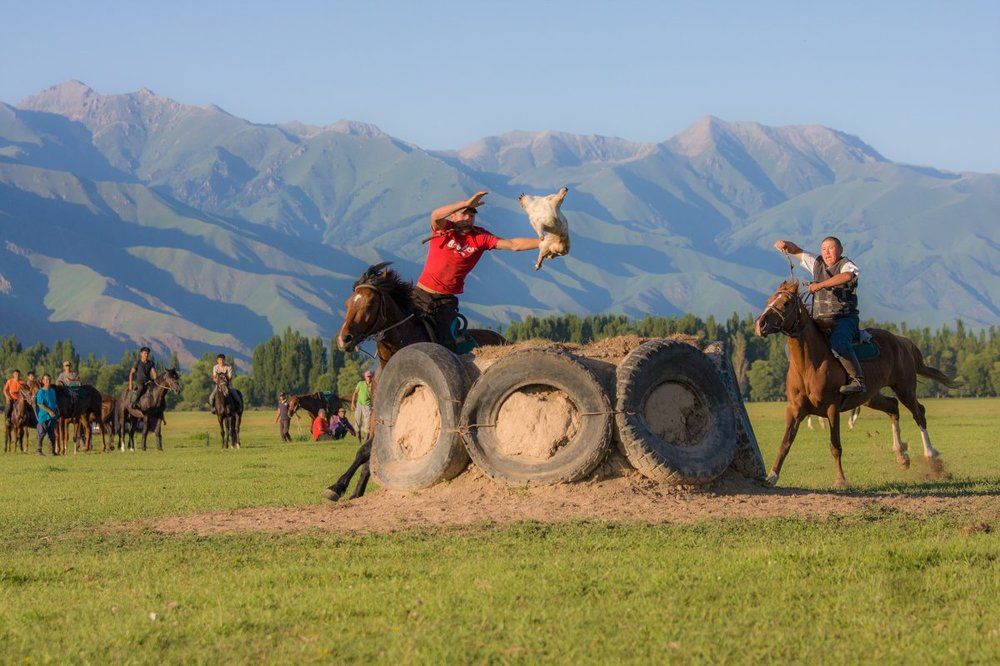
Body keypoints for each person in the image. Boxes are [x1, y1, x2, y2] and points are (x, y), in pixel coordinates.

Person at [416, 191, 542, 350]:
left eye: (472, 215)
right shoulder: (443, 229)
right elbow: (435, 215)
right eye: (464, 214)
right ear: (453, 217)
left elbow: (513, 244)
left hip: (445, 301)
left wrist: (544, 242)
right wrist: (465, 203)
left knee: (447, 344)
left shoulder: (480, 237)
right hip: (420, 294)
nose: (468, 218)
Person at [774, 236, 866, 394]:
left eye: (831, 248)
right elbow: (797, 251)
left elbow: (846, 277)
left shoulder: (847, 265)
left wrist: (819, 285)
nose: (827, 252)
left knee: (839, 343)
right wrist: (786, 245)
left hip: (843, 319)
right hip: (820, 319)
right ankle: (803, 381)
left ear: (840, 250)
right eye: (824, 249)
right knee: (792, 347)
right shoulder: (817, 263)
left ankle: (857, 379)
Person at [128, 347, 158, 417]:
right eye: (145, 353)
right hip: (139, 382)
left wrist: (154, 378)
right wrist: (130, 384)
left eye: (147, 353)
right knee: (141, 387)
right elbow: (131, 373)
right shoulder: (138, 362)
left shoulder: (151, 363)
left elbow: (154, 373)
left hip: (148, 382)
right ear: (141, 354)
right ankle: (133, 403)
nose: (146, 355)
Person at [34, 373, 58, 455]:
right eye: (46, 379)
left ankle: (52, 451)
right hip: (44, 416)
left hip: (52, 416)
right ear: (43, 381)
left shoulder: (52, 391)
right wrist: (49, 411)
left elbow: (54, 403)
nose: (48, 381)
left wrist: (56, 411)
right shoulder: (40, 392)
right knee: (41, 434)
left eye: (49, 379)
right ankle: (38, 451)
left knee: (52, 435)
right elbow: (40, 404)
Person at [352, 370, 374, 439]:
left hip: (367, 405)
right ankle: (359, 436)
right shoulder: (360, 383)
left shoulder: (373, 384)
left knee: (367, 422)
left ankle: (366, 438)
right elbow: (355, 393)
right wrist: (353, 403)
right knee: (358, 421)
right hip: (359, 404)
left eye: (370, 376)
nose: (369, 378)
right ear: (365, 377)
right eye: (367, 376)